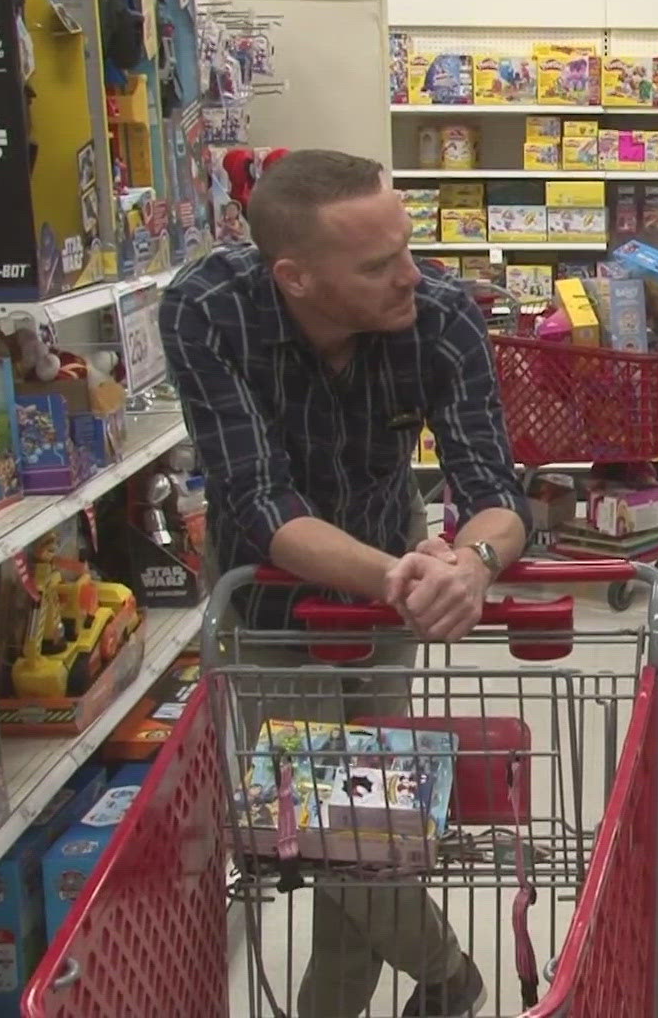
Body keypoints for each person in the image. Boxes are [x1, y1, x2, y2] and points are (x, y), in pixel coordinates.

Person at [161, 149, 529, 1018]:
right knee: (326, 828)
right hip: (269, 599)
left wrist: (469, 565)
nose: (412, 275)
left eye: (407, 246)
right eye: (377, 265)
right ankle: (446, 974)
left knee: (361, 826)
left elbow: (496, 492)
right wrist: (400, 578)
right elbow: (256, 503)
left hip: (384, 583)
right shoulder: (208, 311)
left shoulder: (440, 314)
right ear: (295, 276)